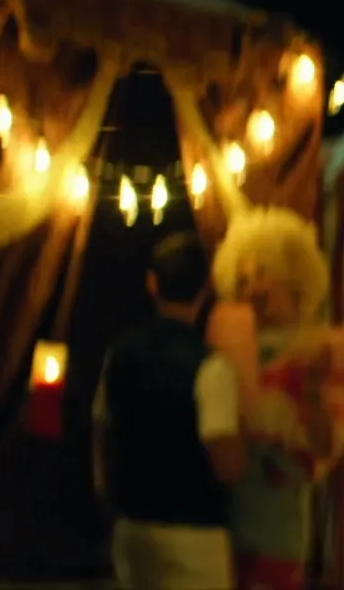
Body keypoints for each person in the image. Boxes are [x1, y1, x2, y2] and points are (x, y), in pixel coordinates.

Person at [208, 207, 344, 590]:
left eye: (262, 274)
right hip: (222, 530)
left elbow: (328, 447)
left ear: (294, 280)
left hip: (277, 534)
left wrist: (310, 398)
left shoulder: (313, 353)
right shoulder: (230, 353)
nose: (252, 289)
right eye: (242, 280)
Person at [93, 231, 245, 589]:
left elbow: (101, 431)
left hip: (133, 527)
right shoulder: (211, 367)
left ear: (152, 283)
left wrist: (111, 499)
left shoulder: (120, 354)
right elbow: (227, 465)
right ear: (206, 289)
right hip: (194, 536)